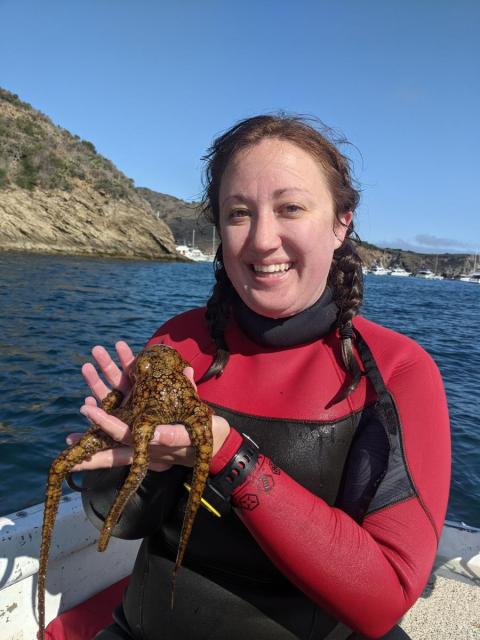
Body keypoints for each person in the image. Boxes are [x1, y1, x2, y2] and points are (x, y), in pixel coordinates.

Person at [68, 115, 450, 640]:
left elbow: (383, 597)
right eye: (238, 214)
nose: (262, 239)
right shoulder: (176, 347)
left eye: (290, 208)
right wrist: (136, 466)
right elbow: (121, 522)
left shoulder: (395, 371)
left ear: (342, 222)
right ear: (220, 230)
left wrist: (225, 456)